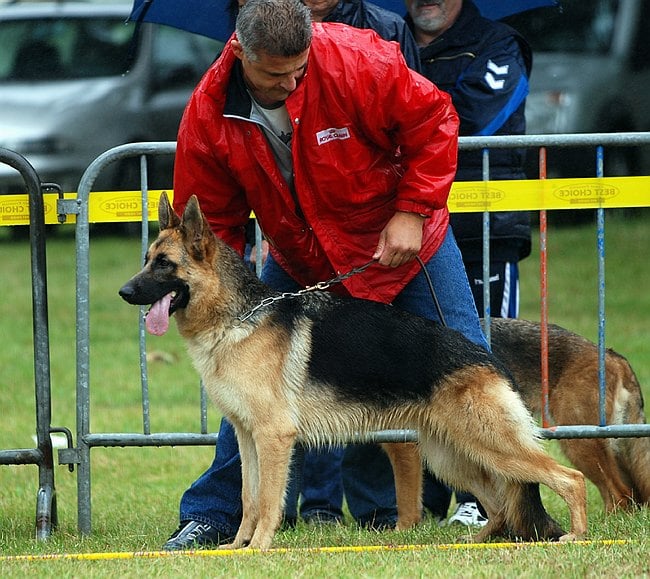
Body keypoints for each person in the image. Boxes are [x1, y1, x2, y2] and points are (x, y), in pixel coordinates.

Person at [163, 0, 490, 550]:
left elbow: (435, 122)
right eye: (276, 74)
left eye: (301, 68)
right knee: (248, 384)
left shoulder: (359, 60)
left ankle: (495, 502)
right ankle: (215, 516)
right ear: (240, 52)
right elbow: (210, 225)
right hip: (302, 258)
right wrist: (217, 299)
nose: (292, 82)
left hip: (407, 243)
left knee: (471, 371)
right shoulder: (208, 112)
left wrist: (413, 209)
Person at [343, 0, 533, 529]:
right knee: (400, 377)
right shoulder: (389, 36)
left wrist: (400, 104)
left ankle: (489, 493)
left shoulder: (499, 44)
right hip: (400, 236)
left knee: (483, 360)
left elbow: (472, 121)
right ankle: (417, 503)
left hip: (481, 234)